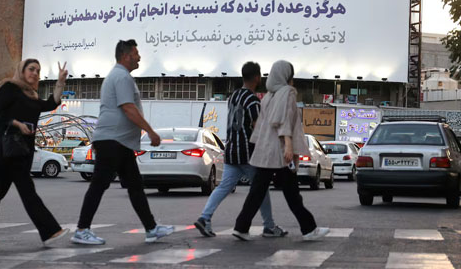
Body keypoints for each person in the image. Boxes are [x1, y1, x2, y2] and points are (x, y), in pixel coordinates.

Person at [71, 40, 174, 245]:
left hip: (120, 142)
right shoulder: (121, 76)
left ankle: (151, 229)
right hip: (112, 141)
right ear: (126, 56)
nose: (139, 57)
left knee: (135, 186)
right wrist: (151, 132)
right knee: (99, 184)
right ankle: (82, 230)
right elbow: (128, 108)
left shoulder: (120, 76)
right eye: (136, 54)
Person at [0, 60, 69, 247]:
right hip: (9, 150)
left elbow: (50, 104)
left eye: (38, 71)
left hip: (21, 150)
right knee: (28, 192)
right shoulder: (10, 87)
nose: (35, 73)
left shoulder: (31, 95)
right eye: (31, 69)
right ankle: (50, 230)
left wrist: (60, 82)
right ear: (21, 71)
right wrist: (17, 124)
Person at [232, 60, 330, 241]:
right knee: (292, 194)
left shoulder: (269, 96)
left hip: (265, 151)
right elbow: (284, 120)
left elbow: (261, 126)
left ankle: (241, 227)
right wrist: (289, 146)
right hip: (280, 152)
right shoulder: (287, 93)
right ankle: (309, 229)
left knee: (257, 192)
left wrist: (258, 145)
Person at [194, 62, 286, 238]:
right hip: (247, 152)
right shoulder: (252, 100)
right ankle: (269, 226)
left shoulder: (233, 96)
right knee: (261, 189)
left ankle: (205, 217)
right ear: (257, 77)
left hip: (231, 150)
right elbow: (257, 127)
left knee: (223, 187)